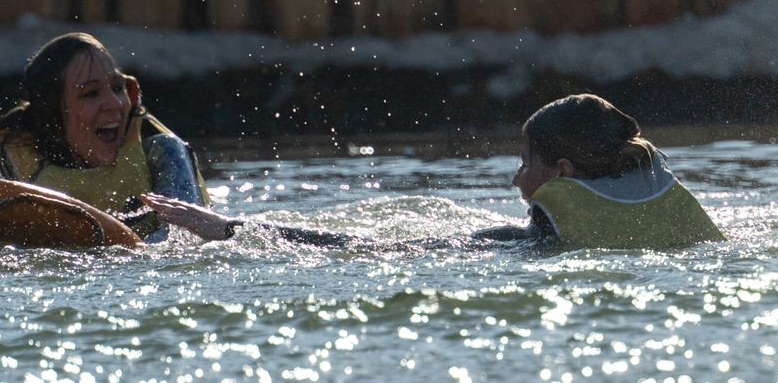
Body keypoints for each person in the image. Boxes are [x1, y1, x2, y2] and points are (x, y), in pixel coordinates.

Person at [141, 94, 724, 250]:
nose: (517, 182)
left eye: (526, 165)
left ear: (563, 173)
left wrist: (230, 229)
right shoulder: (672, 212)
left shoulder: (542, 238)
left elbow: (366, 246)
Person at [0, 32, 209, 242]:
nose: (115, 104)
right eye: (91, 93)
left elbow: (180, 247)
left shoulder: (163, 153)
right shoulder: (21, 154)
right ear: (53, 114)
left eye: (117, 88)